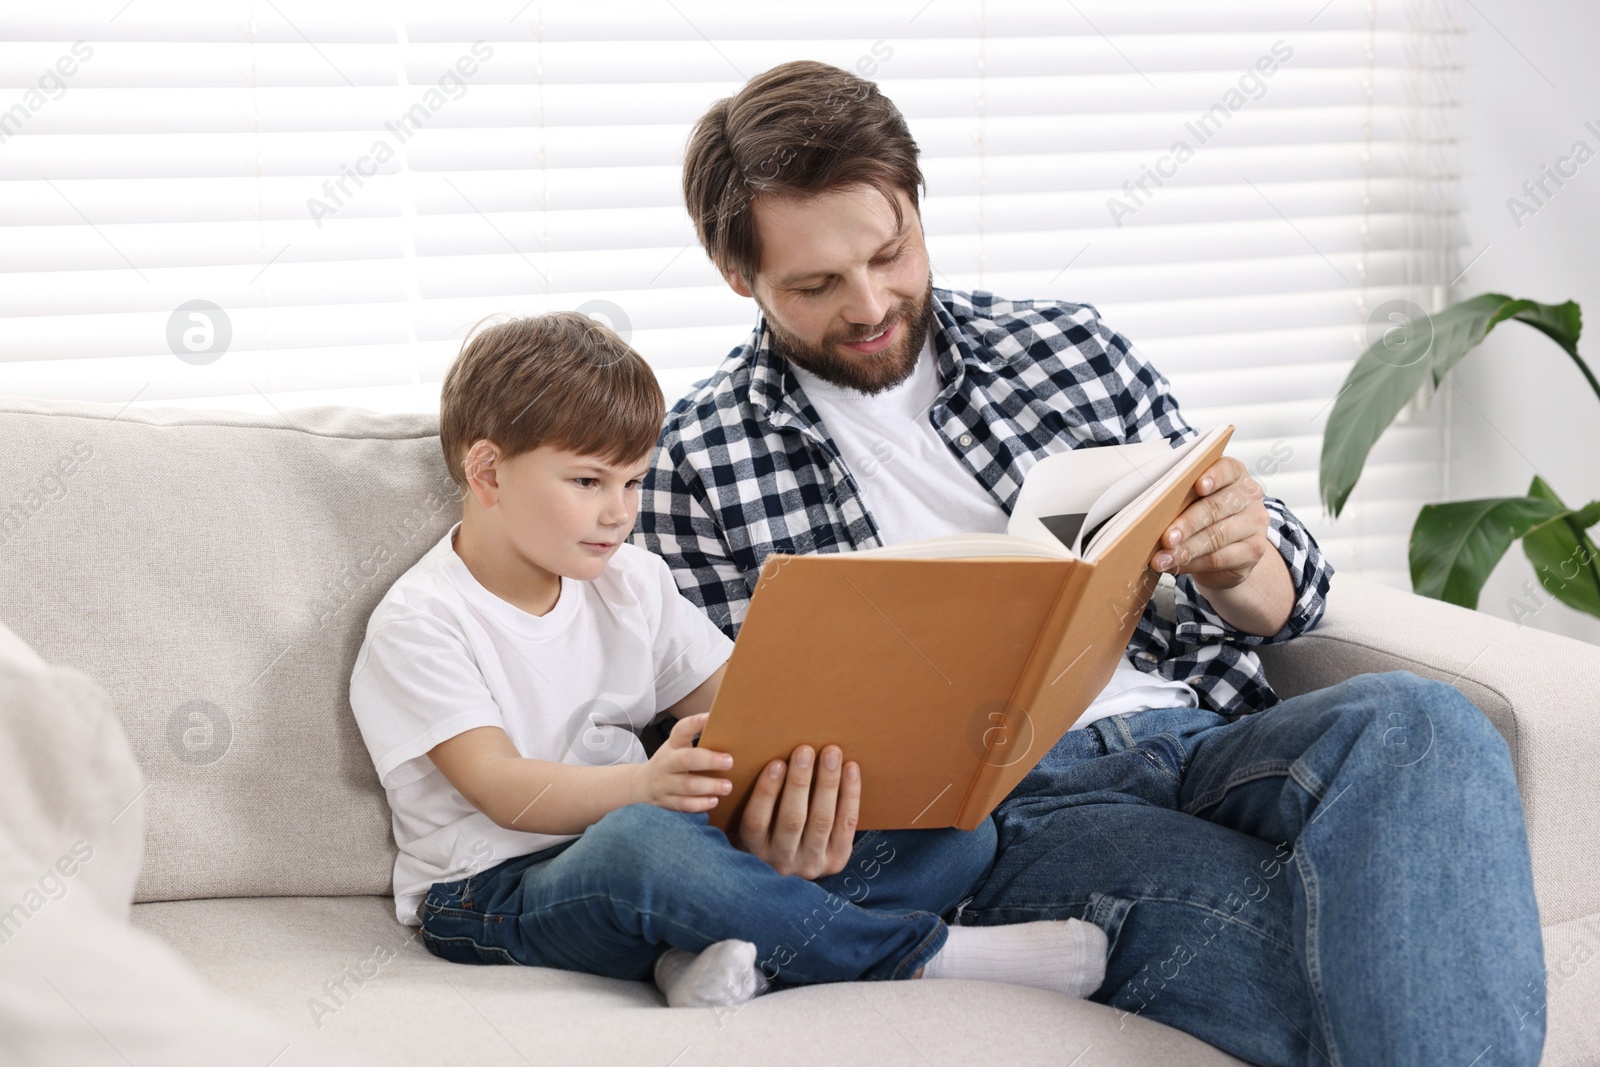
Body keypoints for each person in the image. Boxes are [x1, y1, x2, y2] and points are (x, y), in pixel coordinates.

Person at [633, 60, 1547, 1063]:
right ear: (739, 278)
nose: (871, 302)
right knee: (1356, 964)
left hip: (1202, 736)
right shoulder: (693, 465)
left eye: (892, 252)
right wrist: (776, 820)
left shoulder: (1066, 349)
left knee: (1427, 722)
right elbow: (710, 745)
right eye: (814, 284)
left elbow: (1290, 595)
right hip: (1014, 812)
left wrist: (1238, 560)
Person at [346, 311, 1110, 1010]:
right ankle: (917, 957)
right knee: (645, 843)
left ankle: (705, 950)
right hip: (493, 892)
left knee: (955, 833)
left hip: (659, 859)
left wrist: (815, 776)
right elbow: (502, 790)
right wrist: (645, 786)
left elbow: (746, 701)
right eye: (587, 481)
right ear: (487, 474)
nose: (620, 511)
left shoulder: (632, 580)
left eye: (633, 480)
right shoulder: (424, 622)